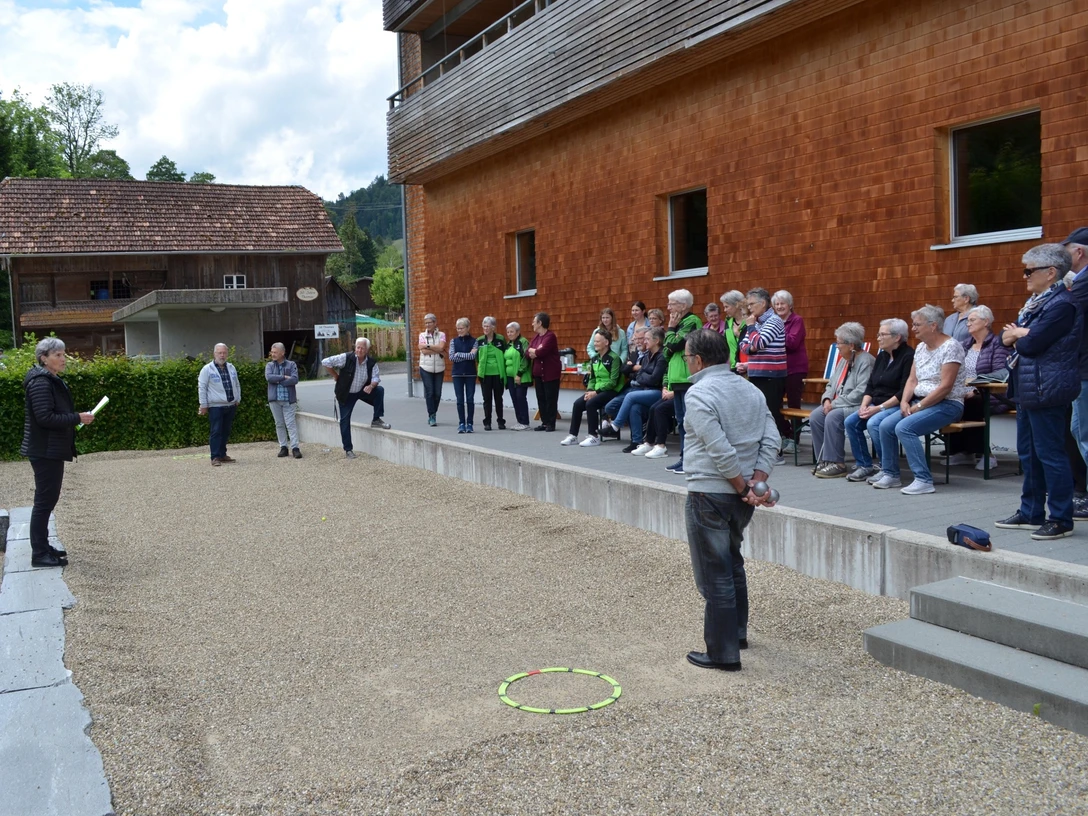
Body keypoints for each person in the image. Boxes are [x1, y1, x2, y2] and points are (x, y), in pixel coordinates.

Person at [681, 329, 779, 671]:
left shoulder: (699, 393)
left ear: (698, 359)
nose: (686, 362)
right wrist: (757, 483)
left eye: (686, 357)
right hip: (743, 494)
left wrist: (742, 486)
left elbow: (718, 448)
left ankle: (723, 653)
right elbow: (772, 438)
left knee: (715, 572)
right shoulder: (750, 389)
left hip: (712, 491)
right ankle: (735, 633)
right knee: (732, 562)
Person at [995, 244, 1083, 540]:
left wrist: (1020, 335)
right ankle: (1031, 513)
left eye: (1029, 270)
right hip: (1028, 387)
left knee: (1051, 454)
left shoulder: (1062, 305)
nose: (1025, 276)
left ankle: (1061, 518)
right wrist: (1019, 334)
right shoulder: (1036, 303)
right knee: (1029, 454)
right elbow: (1002, 338)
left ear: (1050, 272)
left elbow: (1031, 344)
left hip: (1048, 388)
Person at [871, 305, 967, 494]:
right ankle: (891, 475)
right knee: (885, 425)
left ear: (933, 326)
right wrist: (905, 401)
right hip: (920, 403)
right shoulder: (921, 347)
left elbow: (945, 386)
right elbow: (912, 379)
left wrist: (919, 406)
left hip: (948, 404)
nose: (913, 328)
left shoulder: (951, 347)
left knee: (904, 428)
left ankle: (923, 480)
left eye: (917, 324)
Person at [20, 337, 95, 568]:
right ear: (44, 358)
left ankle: (43, 547)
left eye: (63, 354)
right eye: (58, 355)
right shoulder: (41, 382)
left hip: (49, 448)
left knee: (47, 500)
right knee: (44, 501)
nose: (63, 359)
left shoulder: (50, 380)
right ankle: (39, 553)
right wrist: (77, 418)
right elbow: (45, 418)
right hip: (45, 450)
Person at [844, 319, 915, 482]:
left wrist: (878, 408)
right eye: (878, 334)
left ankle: (887, 468)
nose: (878, 338)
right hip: (875, 403)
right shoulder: (882, 355)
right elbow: (870, 385)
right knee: (851, 422)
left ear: (897, 337)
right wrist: (864, 406)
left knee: (873, 423)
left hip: (895, 404)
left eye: (882, 334)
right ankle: (864, 465)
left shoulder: (908, 356)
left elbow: (903, 391)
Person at [943, 306, 1011, 470]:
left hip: (992, 394)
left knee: (971, 403)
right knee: (946, 401)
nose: (968, 324)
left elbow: (1000, 373)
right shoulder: (963, 345)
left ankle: (987, 454)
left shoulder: (997, 344)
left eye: (972, 320)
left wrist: (973, 390)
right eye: (967, 321)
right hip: (964, 392)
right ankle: (962, 451)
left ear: (986, 322)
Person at [810, 323, 875, 478]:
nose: (837, 346)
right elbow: (831, 384)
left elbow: (861, 392)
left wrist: (834, 404)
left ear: (851, 345)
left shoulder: (866, 361)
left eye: (839, 343)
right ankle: (825, 460)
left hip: (858, 405)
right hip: (838, 402)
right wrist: (826, 399)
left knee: (833, 416)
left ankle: (837, 463)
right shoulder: (843, 360)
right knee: (816, 416)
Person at [739, 288, 786, 464]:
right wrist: (752, 340)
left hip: (772, 375)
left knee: (771, 414)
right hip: (757, 373)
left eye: (752, 304)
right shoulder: (757, 323)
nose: (749, 308)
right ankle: (763, 451)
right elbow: (744, 346)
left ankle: (777, 452)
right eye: (748, 304)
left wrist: (751, 330)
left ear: (763, 304)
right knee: (758, 413)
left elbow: (758, 344)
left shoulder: (774, 321)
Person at [323, 337, 391, 458]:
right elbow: (325, 362)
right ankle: (348, 450)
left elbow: (376, 377)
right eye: (357, 347)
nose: (359, 350)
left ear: (367, 350)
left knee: (379, 390)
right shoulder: (346, 357)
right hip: (346, 394)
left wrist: (371, 385)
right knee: (344, 420)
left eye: (362, 348)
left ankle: (376, 419)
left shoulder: (371, 362)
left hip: (361, 390)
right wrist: (335, 375)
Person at [1063, 227, 1088, 521]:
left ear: (1079, 252)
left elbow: (1063, 321)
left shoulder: (1082, 285)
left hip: (1083, 370)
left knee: (1082, 434)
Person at [662, 289, 702, 473]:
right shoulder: (677, 324)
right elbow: (666, 351)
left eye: (672, 303)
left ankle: (692, 460)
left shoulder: (691, 321)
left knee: (689, 422)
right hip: (676, 379)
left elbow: (674, 345)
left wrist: (670, 330)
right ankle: (683, 458)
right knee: (680, 421)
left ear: (683, 305)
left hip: (688, 378)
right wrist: (671, 337)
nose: (668, 307)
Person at [609, 327, 667, 454]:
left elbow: (654, 379)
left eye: (647, 339)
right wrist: (643, 373)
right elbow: (640, 375)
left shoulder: (661, 357)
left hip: (658, 392)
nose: (644, 342)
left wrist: (642, 373)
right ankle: (637, 441)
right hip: (647, 390)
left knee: (630, 397)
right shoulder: (648, 356)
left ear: (656, 341)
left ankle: (615, 425)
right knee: (634, 407)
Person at [561, 330, 623, 447]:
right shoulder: (594, 358)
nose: (595, 343)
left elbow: (613, 381)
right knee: (578, 404)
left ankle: (593, 436)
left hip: (611, 391)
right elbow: (592, 378)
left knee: (591, 404)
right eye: (594, 341)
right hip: (596, 391)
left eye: (598, 341)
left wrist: (596, 392)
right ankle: (573, 435)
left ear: (606, 343)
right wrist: (590, 390)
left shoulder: (614, 358)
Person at [773, 290, 808, 450]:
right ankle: (785, 434)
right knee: (774, 403)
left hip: (795, 368)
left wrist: (776, 332)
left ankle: (795, 439)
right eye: (777, 304)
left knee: (794, 404)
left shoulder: (797, 320)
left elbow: (793, 343)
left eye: (782, 303)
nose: (779, 306)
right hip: (777, 368)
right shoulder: (774, 321)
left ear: (790, 305)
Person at [198, 342, 242, 466]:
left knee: (226, 431)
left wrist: (237, 398)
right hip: (215, 406)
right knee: (216, 431)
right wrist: (203, 405)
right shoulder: (207, 369)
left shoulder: (231, 367)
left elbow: (237, 384)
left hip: (230, 405)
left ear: (227, 354)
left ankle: (222, 454)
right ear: (214, 354)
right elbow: (202, 387)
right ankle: (215, 456)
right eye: (219, 353)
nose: (222, 355)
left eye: (224, 353)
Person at [265, 342, 301, 459]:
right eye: (272, 352)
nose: (273, 354)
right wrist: (284, 377)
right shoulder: (270, 365)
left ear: (282, 353)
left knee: (290, 424)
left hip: (288, 400)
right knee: (279, 424)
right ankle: (283, 447)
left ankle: (295, 447)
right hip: (275, 400)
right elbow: (269, 377)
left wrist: (278, 380)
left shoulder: (291, 365)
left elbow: (295, 379)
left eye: (275, 352)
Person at [528, 312, 560, 431]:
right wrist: (534, 350)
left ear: (540, 323)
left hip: (550, 373)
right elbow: (527, 352)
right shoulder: (536, 338)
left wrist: (535, 351)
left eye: (534, 321)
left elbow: (542, 352)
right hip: (538, 373)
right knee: (541, 397)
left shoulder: (550, 336)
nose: (532, 324)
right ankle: (544, 422)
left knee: (550, 398)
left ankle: (551, 423)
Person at [476, 316, 507, 431]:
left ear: (493, 327)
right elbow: (477, 357)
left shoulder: (500, 339)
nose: (485, 328)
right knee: (487, 399)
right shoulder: (479, 340)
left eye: (488, 326)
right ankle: (487, 422)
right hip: (485, 374)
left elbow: (505, 354)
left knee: (498, 398)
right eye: (484, 326)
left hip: (498, 374)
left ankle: (500, 421)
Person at [448, 317, 478, 434]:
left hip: (470, 373)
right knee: (460, 400)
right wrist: (465, 355)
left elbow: (472, 357)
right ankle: (461, 423)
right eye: (458, 328)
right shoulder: (453, 341)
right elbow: (451, 357)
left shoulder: (474, 341)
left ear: (468, 328)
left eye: (462, 328)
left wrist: (459, 354)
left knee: (470, 399)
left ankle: (470, 423)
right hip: (457, 374)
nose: (459, 330)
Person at [418, 313, 446, 427]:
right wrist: (437, 349)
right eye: (426, 323)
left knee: (437, 393)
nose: (428, 325)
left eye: (430, 322)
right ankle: (432, 415)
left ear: (435, 323)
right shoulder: (422, 335)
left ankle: (434, 412)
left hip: (439, 367)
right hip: (425, 367)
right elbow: (423, 351)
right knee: (430, 392)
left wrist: (428, 346)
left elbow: (442, 347)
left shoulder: (442, 334)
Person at [504, 321, 532, 430]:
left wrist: (519, 374)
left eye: (512, 331)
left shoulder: (523, 342)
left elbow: (526, 358)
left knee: (520, 398)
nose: (510, 334)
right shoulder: (509, 344)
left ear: (518, 332)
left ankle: (525, 422)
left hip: (520, 376)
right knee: (514, 398)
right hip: (510, 377)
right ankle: (519, 421)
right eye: (508, 332)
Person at [719, 290, 746, 370]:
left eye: (727, 307)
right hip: (733, 368)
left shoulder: (749, 321)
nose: (724, 310)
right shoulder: (728, 322)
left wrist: (739, 335)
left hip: (747, 367)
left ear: (737, 305)